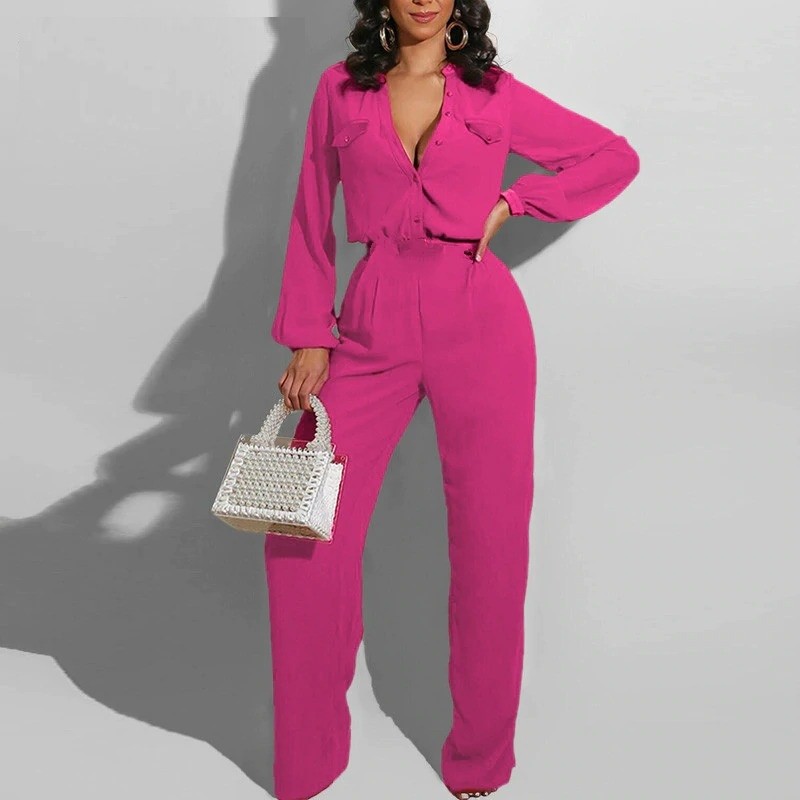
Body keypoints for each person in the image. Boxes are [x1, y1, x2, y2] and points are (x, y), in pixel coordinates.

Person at [265, 2, 640, 799]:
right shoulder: (339, 90)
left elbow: (613, 157)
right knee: (301, 528)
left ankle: (479, 759)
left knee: (491, 543)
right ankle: (310, 756)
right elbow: (310, 214)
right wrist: (308, 332)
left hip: (480, 317)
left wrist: (516, 202)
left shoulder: (493, 94)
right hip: (370, 317)